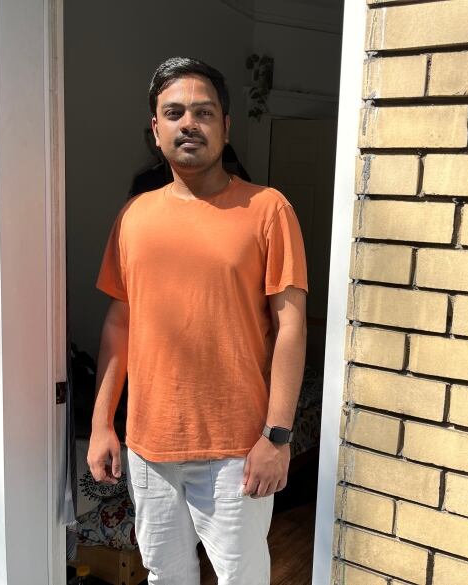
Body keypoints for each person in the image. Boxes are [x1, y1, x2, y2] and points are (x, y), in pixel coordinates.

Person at [87, 56, 308, 584]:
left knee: (241, 577)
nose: (190, 123)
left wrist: (277, 436)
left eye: (204, 112)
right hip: (149, 446)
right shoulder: (134, 217)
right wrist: (101, 423)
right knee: (165, 576)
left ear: (226, 127)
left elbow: (292, 326)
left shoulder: (267, 209)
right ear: (156, 129)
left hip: (237, 449)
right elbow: (120, 323)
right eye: (175, 112)